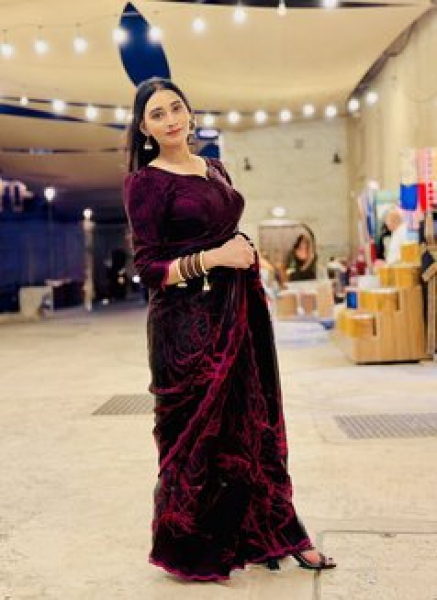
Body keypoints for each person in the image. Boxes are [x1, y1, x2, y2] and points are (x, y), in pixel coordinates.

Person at [123, 77, 336, 582]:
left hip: (239, 314)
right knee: (196, 438)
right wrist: (215, 258)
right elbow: (148, 269)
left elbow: (223, 231)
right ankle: (194, 548)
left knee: (254, 423)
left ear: (190, 112)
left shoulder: (213, 167)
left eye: (176, 108)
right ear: (144, 128)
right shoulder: (145, 183)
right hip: (186, 331)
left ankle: (278, 531)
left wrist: (241, 254)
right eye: (158, 114)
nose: (171, 120)